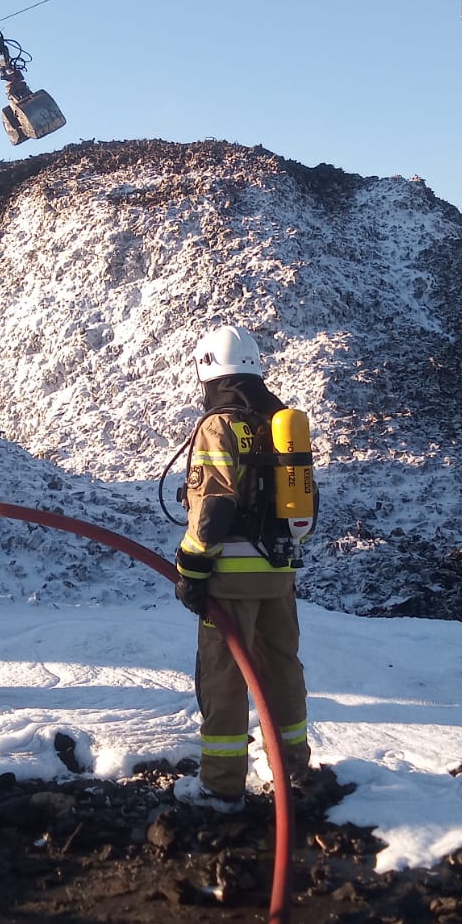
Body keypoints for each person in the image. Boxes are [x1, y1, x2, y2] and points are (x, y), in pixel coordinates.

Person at [172, 325, 313, 811]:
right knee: (282, 670)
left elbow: (213, 507)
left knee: (224, 680)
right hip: (279, 573)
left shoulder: (219, 426)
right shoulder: (279, 422)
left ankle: (221, 786)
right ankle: (293, 772)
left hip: (230, 583)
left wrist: (191, 569)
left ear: (207, 371)